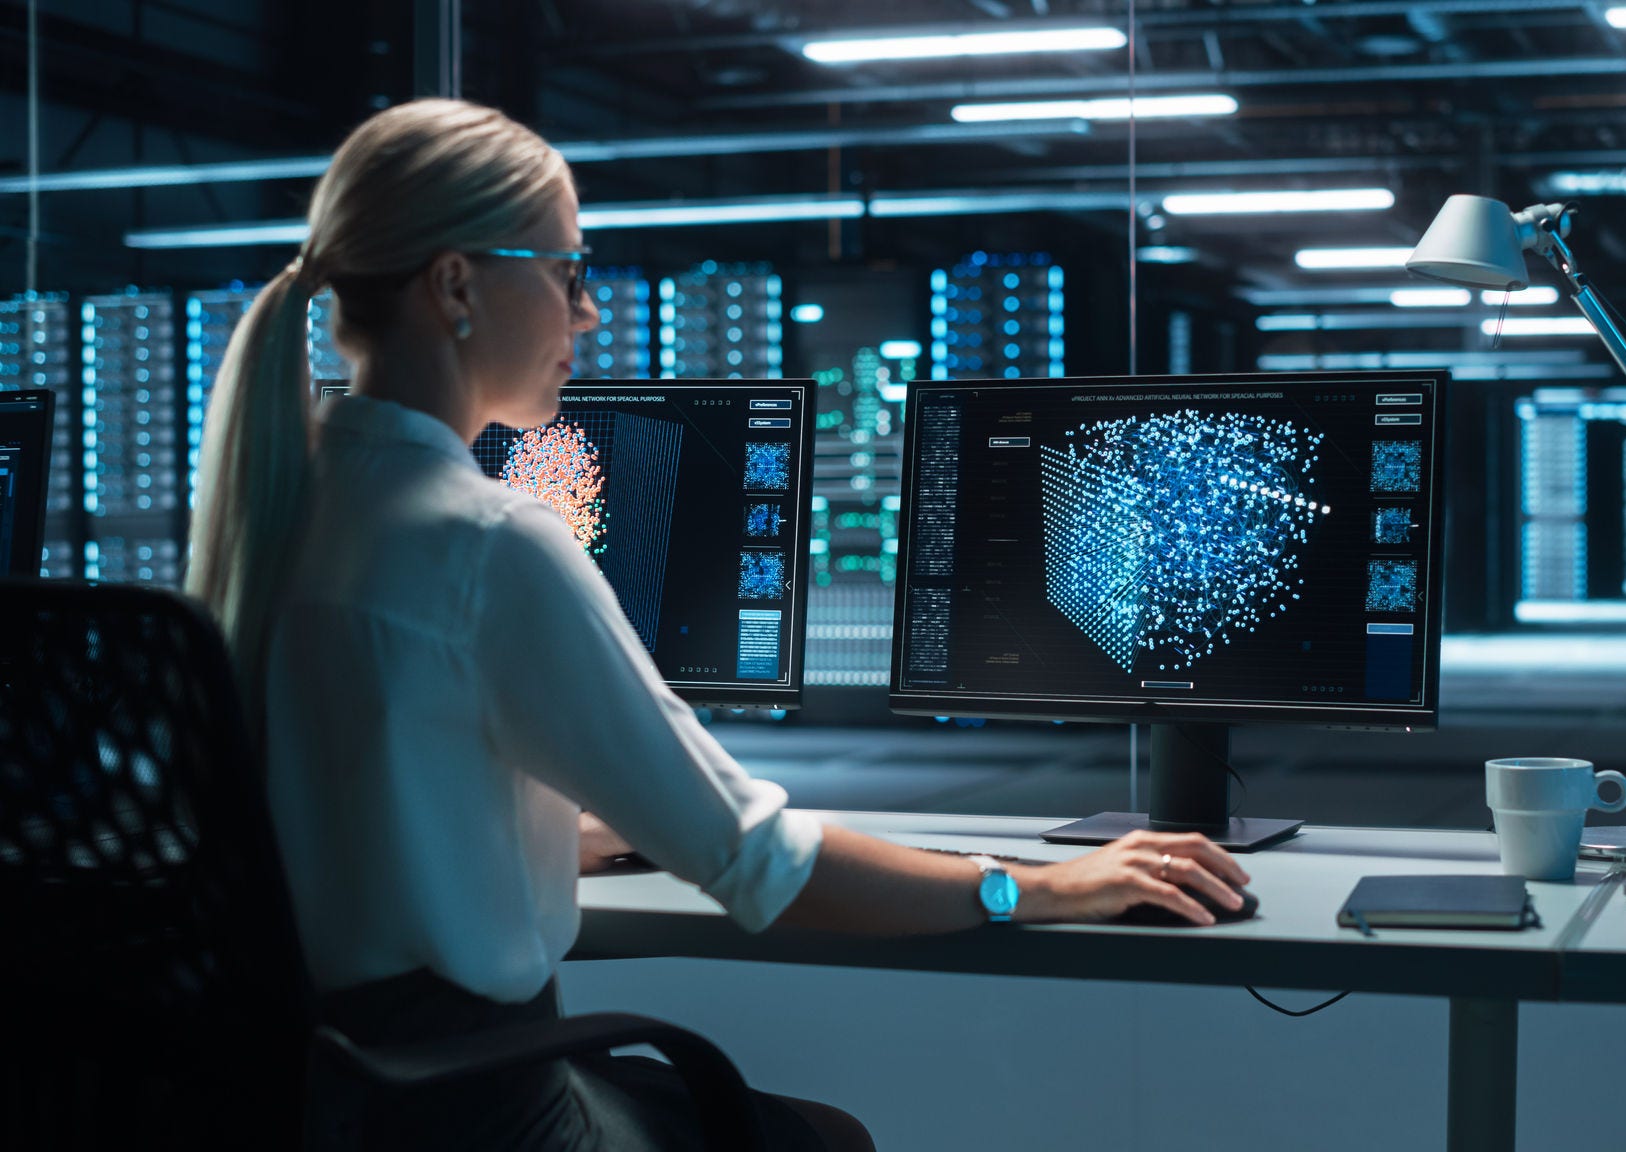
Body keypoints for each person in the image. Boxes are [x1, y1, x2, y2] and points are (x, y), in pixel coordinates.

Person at [185, 97, 1250, 1152]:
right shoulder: (485, 540)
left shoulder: (277, 507)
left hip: (310, 1098)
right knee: (822, 1140)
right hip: (474, 1115)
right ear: (456, 284)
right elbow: (758, 863)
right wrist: (1035, 886)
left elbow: (366, 808)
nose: (585, 313)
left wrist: (579, 830)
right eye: (566, 271)